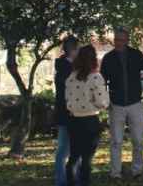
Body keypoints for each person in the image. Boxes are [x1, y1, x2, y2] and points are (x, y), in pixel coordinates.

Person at [99, 27, 143, 179]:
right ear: (114, 41)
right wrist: (104, 101)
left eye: (122, 40)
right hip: (116, 104)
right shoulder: (108, 58)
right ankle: (115, 173)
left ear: (127, 41)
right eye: (117, 40)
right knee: (116, 142)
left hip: (135, 104)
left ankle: (137, 170)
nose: (119, 43)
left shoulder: (136, 54)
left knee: (138, 141)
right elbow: (101, 82)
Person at [64, 44, 110, 186]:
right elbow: (103, 102)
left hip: (74, 120)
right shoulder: (95, 77)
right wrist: (96, 105)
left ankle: (71, 182)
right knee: (86, 159)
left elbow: (67, 99)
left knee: (73, 157)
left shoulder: (71, 77)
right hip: (90, 120)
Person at [54, 35, 81, 186]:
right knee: (64, 149)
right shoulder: (64, 68)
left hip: (78, 113)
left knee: (76, 148)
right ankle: (61, 181)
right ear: (72, 50)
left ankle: (74, 178)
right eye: (77, 48)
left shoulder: (73, 66)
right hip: (66, 113)